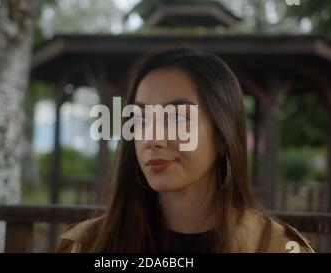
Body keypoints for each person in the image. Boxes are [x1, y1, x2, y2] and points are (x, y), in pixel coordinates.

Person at [56, 47, 314, 253]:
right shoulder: (86, 245)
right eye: (141, 119)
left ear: (223, 135)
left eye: (177, 117)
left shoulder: (277, 248)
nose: (151, 139)